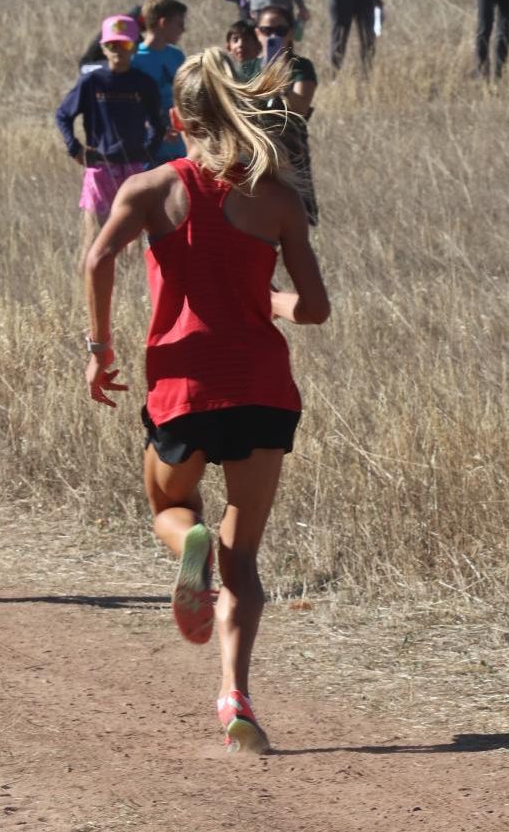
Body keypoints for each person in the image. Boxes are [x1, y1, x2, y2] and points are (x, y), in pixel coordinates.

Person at [83, 47, 330, 754]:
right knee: (243, 561)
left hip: (182, 384)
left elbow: (96, 259)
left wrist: (99, 348)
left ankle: (189, 541)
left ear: (173, 119)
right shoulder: (276, 197)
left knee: (169, 508)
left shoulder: (154, 187)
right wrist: (269, 299)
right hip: (261, 387)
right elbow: (314, 307)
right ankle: (235, 697)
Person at [54, 15, 167, 263]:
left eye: (125, 45)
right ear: (104, 48)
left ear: (134, 47)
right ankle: (87, 291)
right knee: (94, 238)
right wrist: (74, 148)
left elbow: (158, 125)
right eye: (112, 46)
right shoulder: (92, 82)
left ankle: (124, 290)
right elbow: (63, 115)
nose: (119, 52)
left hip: (134, 171)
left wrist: (148, 151)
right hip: (99, 168)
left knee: (132, 238)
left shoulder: (143, 83)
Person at [243, 6, 318, 224]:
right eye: (266, 30)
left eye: (280, 30)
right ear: (257, 32)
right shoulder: (247, 69)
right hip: (255, 149)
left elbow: (299, 108)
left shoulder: (301, 67)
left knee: (299, 217)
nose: (273, 36)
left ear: (291, 32)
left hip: (291, 148)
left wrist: (278, 78)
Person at [132, 0, 188, 161]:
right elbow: (131, 106)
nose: (183, 29)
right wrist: (155, 128)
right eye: (179, 24)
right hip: (149, 151)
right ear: (163, 23)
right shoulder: (135, 60)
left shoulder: (177, 56)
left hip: (179, 147)